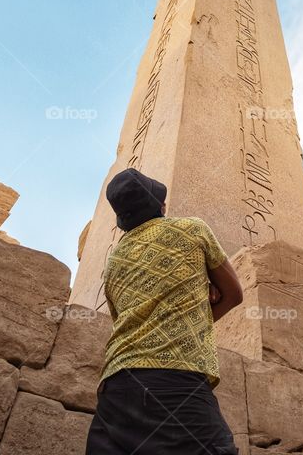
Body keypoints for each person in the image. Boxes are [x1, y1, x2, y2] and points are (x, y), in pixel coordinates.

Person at [85, 168, 244, 455]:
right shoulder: (192, 229)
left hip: (116, 388)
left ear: (123, 220)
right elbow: (234, 294)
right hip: (176, 382)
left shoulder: (113, 263)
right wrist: (196, 308)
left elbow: (127, 320)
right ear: (161, 206)